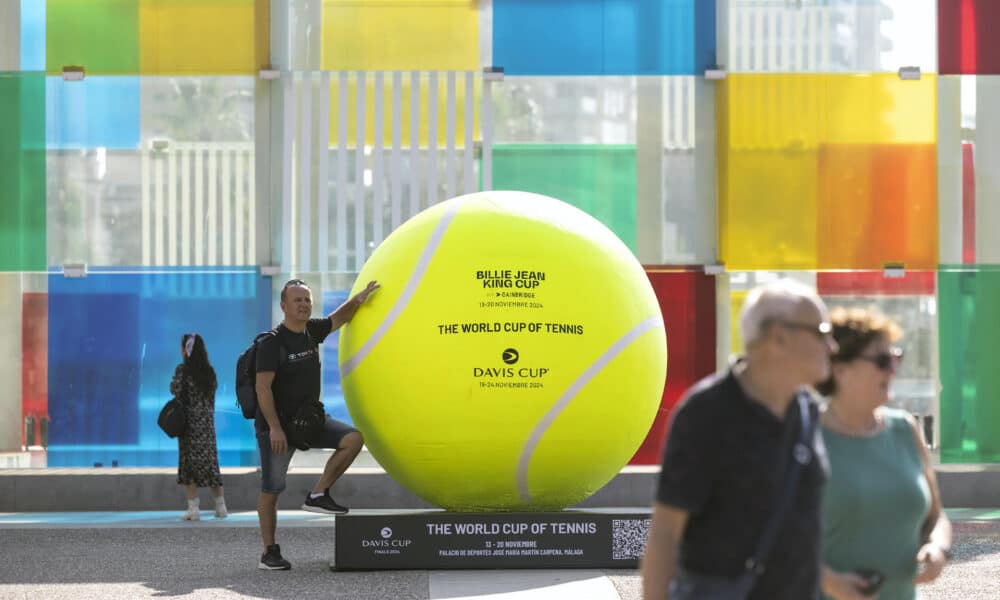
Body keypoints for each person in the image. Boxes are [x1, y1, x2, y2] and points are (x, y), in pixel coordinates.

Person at [642, 278, 838, 599]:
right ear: (778, 336)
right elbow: (665, 532)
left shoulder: (805, 411)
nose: (833, 347)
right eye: (822, 334)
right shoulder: (705, 413)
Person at [817, 307, 952, 600]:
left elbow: (936, 517)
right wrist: (831, 582)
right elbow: (772, 536)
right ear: (840, 369)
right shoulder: (806, 436)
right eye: (882, 360)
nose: (893, 369)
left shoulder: (905, 429)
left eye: (896, 357)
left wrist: (937, 549)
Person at [255, 278, 379, 571]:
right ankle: (269, 552)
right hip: (278, 428)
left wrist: (359, 299)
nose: (303, 305)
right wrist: (274, 428)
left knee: (352, 439)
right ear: (283, 306)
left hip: (309, 422)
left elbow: (341, 317)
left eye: (307, 300)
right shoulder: (272, 342)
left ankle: (318, 494)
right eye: (297, 300)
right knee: (272, 489)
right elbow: (263, 389)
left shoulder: (312, 331)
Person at [171, 333, 226, 521]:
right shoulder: (209, 372)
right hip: (207, 428)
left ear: (185, 349)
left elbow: (174, 389)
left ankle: (193, 509)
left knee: (189, 467)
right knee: (211, 466)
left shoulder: (183, 370)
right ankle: (221, 506)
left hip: (189, 427)